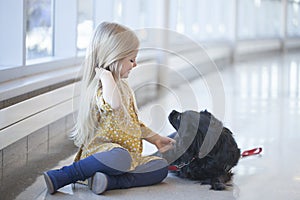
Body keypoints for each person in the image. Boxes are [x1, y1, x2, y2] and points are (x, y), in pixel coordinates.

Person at [43, 22, 176, 195]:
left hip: (127, 158)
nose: (135, 64)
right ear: (113, 57)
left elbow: (132, 123)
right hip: (104, 154)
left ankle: (108, 182)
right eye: (131, 60)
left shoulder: (124, 86)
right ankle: (67, 174)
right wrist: (105, 75)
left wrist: (156, 138)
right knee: (120, 157)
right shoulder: (99, 88)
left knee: (160, 168)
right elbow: (114, 103)